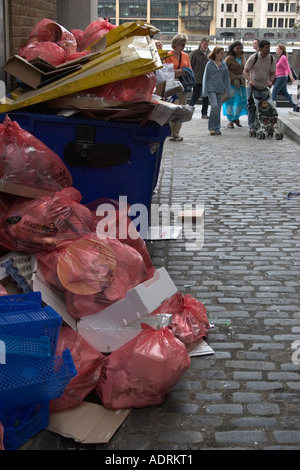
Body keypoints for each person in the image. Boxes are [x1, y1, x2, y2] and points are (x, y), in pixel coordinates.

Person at [164, 33, 192, 141]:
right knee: (173, 108)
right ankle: (171, 131)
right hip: (172, 86)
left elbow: (189, 70)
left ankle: (176, 133)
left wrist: (178, 72)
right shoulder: (168, 56)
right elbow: (167, 71)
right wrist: (181, 71)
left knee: (182, 108)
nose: (183, 47)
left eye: (184, 45)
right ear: (175, 45)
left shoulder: (185, 56)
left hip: (183, 86)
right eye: (182, 45)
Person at [243, 39, 276, 131]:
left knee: (265, 106)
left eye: (269, 47)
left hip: (264, 86)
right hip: (252, 86)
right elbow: (245, 71)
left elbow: (273, 73)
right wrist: (250, 80)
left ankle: (265, 124)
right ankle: (252, 126)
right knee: (252, 106)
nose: (268, 49)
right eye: (266, 47)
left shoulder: (271, 59)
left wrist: (271, 81)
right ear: (261, 48)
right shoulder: (253, 58)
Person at [202, 46, 231, 135]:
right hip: (211, 88)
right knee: (214, 106)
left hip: (220, 89)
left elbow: (226, 78)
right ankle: (211, 127)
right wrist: (204, 91)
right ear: (216, 53)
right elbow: (205, 77)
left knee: (218, 108)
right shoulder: (210, 64)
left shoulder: (224, 64)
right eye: (222, 53)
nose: (223, 55)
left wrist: (228, 92)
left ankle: (217, 127)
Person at [223, 41, 248, 128]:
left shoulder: (242, 57)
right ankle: (231, 120)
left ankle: (236, 117)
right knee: (230, 102)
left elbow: (246, 69)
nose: (239, 50)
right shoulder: (229, 58)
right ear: (233, 49)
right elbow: (224, 70)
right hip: (231, 83)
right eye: (237, 48)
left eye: (240, 48)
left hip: (241, 83)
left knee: (241, 101)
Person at [189, 37, 210, 118]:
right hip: (197, 79)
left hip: (206, 79)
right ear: (201, 44)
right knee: (196, 95)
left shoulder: (209, 54)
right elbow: (189, 65)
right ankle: (189, 110)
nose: (206, 46)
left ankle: (204, 113)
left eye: (207, 45)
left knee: (206, 97)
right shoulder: (194, 53)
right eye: (204, 44)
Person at [271, 44, 296, 110]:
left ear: (281, 50)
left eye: (277, 49)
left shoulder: (283, 58)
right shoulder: (280, 58)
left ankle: (273, 108)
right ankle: (295, 105)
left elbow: (288, 68)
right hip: (280, 77)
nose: (276, 50)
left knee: (274, 92)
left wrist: (291, 77)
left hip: (282, 78)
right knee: (285, 93)